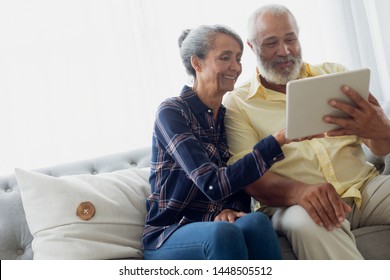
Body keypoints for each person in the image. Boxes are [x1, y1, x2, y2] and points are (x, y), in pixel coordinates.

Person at [223, 4, 390, 259]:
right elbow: (248, 176)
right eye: (271, 43)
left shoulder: (334, 74)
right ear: (252, 46)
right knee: (312, 221)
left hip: (363, 187)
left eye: (290, 39)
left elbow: (379, 147)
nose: (285, 51)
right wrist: (299, 192)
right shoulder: (238, 103)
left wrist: (382, 129)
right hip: (292, 204)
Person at [142, 24, 309, 260]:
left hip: (218, 223)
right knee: (224, 233)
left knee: (257, 222)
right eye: (225, 58)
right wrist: (278, 140)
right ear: (196, 63)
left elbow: (238, 178)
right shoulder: (172, 112)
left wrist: (230, 211)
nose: (236, 67)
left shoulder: (230, 115)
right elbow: (211, 184)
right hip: (171, 231)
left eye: (239, 58)